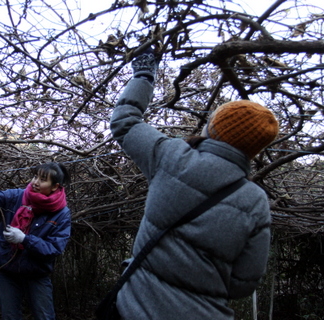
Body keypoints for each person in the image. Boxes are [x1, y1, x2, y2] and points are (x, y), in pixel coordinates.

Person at [109, 49, 279, 319]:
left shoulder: (172, 156)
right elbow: (244, 284)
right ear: (254, 150)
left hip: (135, 307)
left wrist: (143, 72)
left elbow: (125, 121)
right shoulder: (256, 201)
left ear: (213, 128)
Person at [0, 155, 71, 320]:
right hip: (7, 269)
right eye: (35, 176)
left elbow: (54, 248)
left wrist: (25, 240)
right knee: (10, 317)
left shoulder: (61, 213)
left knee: (45, 317)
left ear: (54, 186)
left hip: (37, 273)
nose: (35, 182)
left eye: (42, 180)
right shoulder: (17, 196)